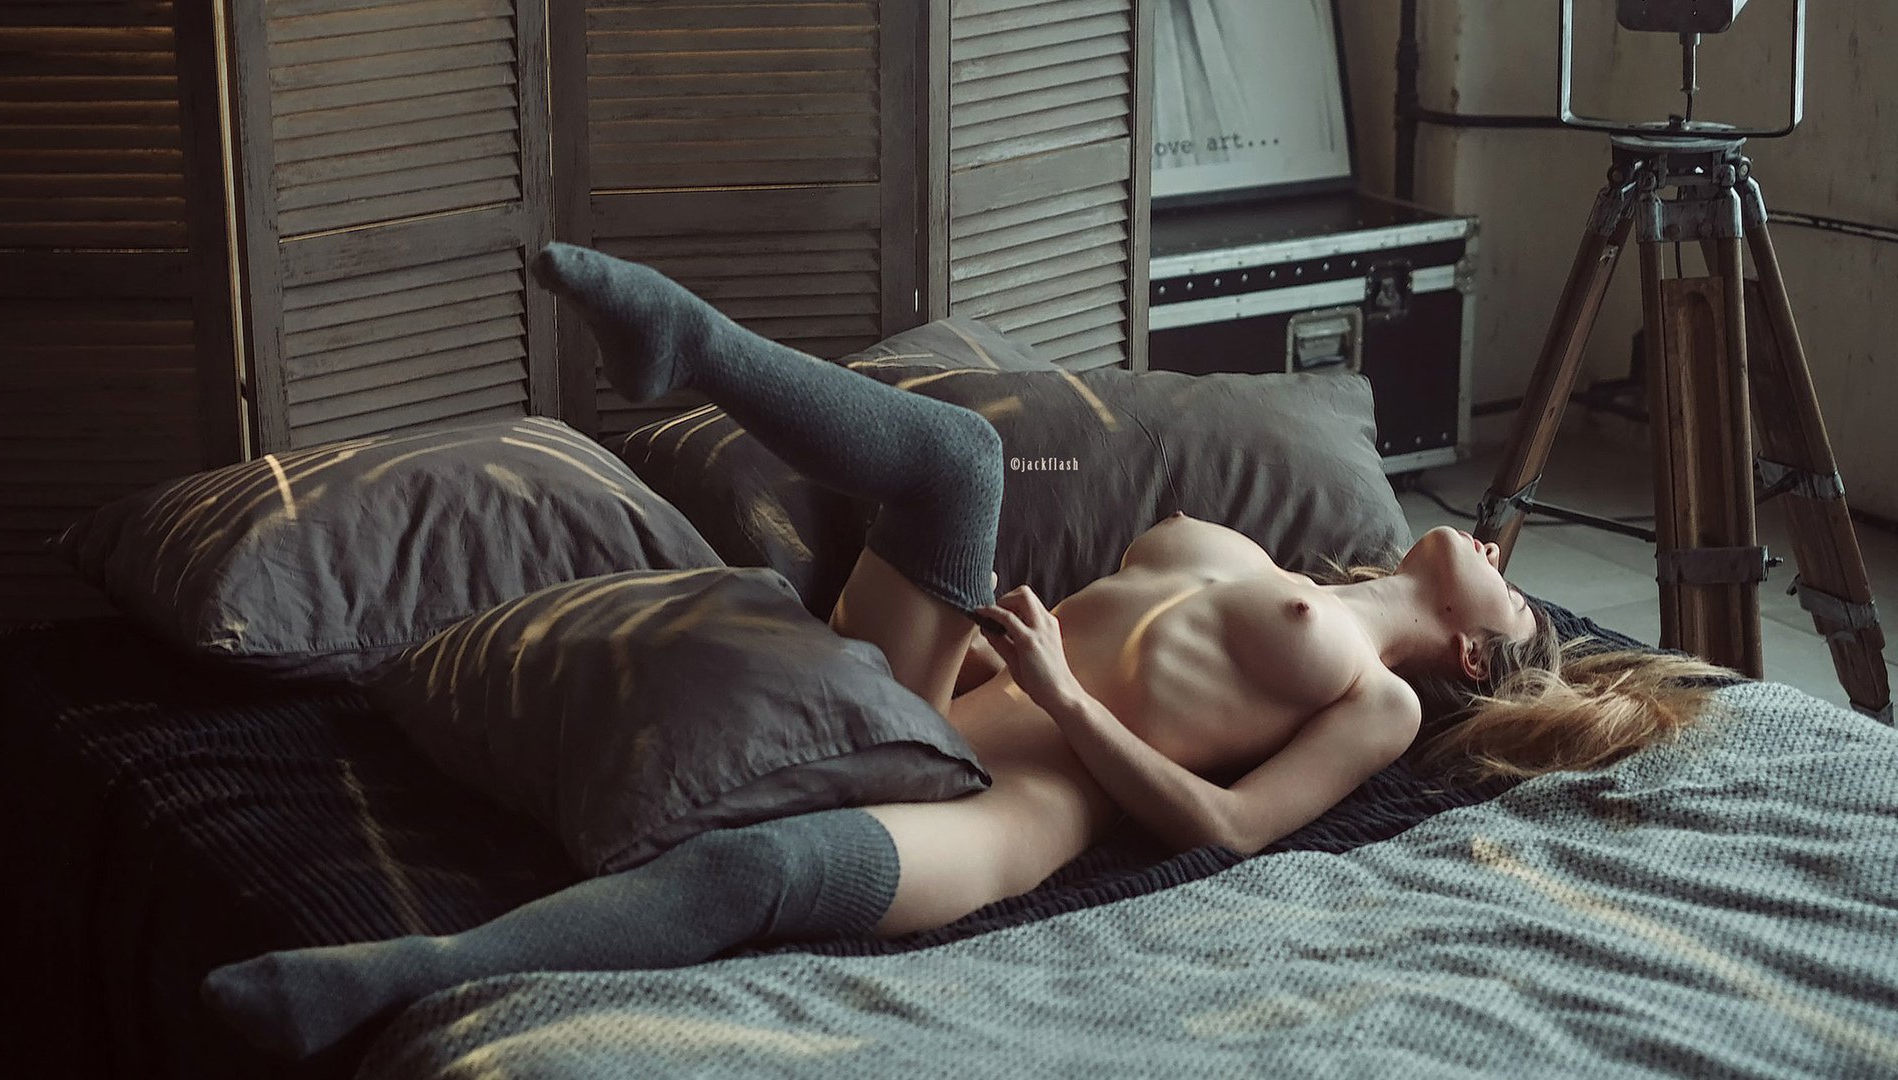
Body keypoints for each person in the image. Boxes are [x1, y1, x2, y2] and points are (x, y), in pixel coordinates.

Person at [202, 243, 1735, 1058]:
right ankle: (691, 343)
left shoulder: (1384, 703)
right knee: (960, 460)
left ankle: (398, 977)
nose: (1501, 558)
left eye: (1517, 598)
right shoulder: (1274, 556)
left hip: (1018, 802)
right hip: (937, 693)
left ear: (1473, 658)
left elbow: (1224, 826)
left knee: (752, 878)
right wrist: (1009, 640)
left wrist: (1063, 691)